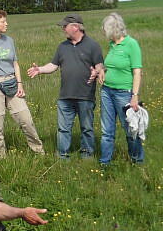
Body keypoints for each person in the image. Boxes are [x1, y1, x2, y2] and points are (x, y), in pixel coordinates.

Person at [27, 13, 105, 159]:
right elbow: (53, 65)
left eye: (65, 26)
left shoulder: (93, 46)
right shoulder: (62, 47)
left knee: (87, 128)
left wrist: (98, 71)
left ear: (75, 27)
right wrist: (40, 70)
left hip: (85, 96)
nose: (63, 28)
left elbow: (100, 66)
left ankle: (87, 154)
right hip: (65, 97)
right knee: (63, 129)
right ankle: (63, 155)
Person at [0, 10, 44, 156]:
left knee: (26, 120)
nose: (6, 23)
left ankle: (39, 151)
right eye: (3, 21)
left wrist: (20, 84)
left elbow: (15, 64)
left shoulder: (9, 41)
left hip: (11, 83)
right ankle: (0, 157)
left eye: (6, 21)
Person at [99, 12, 144, 165]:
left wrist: (134, 95)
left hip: (123, 94)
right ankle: (104, 163)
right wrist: (102, 71)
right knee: (107, 131)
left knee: (130, 129)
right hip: (106, 91)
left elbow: (137, 72)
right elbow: (111, 65)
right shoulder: (112, 45)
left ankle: (137, 160)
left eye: (104, 29)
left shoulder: (131, 44)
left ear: (113, 29)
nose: (103, 32)